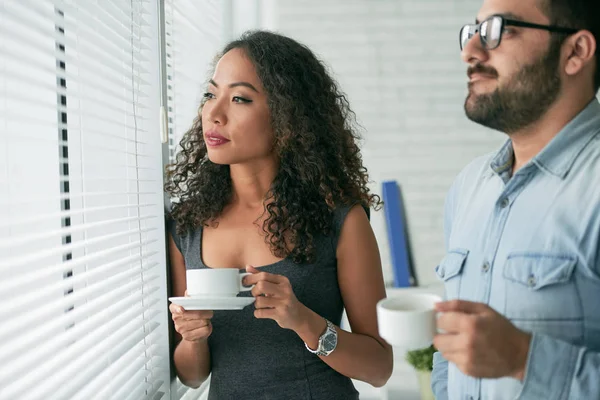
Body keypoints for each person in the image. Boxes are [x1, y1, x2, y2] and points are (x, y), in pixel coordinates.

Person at [164, 30, 393, 399]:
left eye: (239, 98)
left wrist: (304, 321)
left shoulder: (340, 220)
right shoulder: (186, 226)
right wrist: (194, 338)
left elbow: (380, 368)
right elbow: (192, 376)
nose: (214, 113)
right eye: (211, 94)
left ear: (288, 118)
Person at [431, 0, 600, 398]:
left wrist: (524, 359)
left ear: (575, 52)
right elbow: (449, 348)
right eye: (472, 31)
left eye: (498, 30)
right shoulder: (469, 186)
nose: (469, 51)